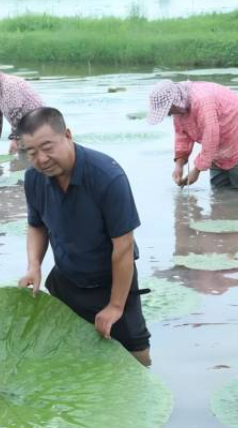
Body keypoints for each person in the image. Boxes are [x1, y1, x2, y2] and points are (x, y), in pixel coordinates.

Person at [17, 107, 151, 365]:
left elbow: (123, 248)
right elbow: (36, 226)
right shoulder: (33, 178)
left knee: (138, 354)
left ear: (67, 135)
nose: (41, 159)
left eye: (47, 147)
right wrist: (34, 266)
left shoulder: (107, 176)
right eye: (31, 152)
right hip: (67, 279)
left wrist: (115, 306)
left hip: (112, 280)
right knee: (70, 355)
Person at [148, 80, 238, 191]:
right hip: (219, 147)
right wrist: (179, 165)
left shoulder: (202, 101)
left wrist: (197, 170)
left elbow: (210, 136)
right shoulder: (179, 108)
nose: (168, 113)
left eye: (167, 109)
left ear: (174, 102)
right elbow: (182, 135)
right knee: (218, 188)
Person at [0, 60, 44, 156]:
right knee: (23, 155)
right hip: (25, 128)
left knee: (33, 155)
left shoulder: (9, 85)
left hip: (38, 124)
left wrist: (15, 140)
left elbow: (17, 116)